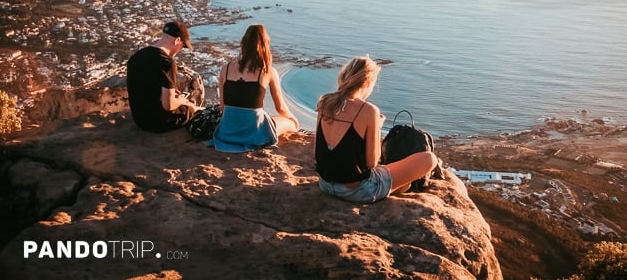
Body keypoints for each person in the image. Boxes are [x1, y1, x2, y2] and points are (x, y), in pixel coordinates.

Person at [315, 56, 437, 203]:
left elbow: (319, 150)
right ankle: (398, 187)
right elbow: (372, 163)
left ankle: (400, 186)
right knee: (429, 159)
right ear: (367, 82)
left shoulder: (325, 102)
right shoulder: (368, 110)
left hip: (325, 184)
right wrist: (377, 127)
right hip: (356, 191)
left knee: (398, 177)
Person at [208, 24, 299, 152]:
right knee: (289, 123)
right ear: (265, 45)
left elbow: (223, 108)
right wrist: (293, 119)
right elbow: (281, 108)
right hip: (254, 135)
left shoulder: (226, 69)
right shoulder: (268, 71)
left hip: (227, 132)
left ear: (243, 44)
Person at [127, 21, 203, 132]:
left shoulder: (136, 56)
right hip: (158, 123)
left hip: (139, 120)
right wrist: (182, 101)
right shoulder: (167, 63)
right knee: (192, 109)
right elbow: (169, 106)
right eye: (182, 46)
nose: (180, 50)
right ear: (177, 40)